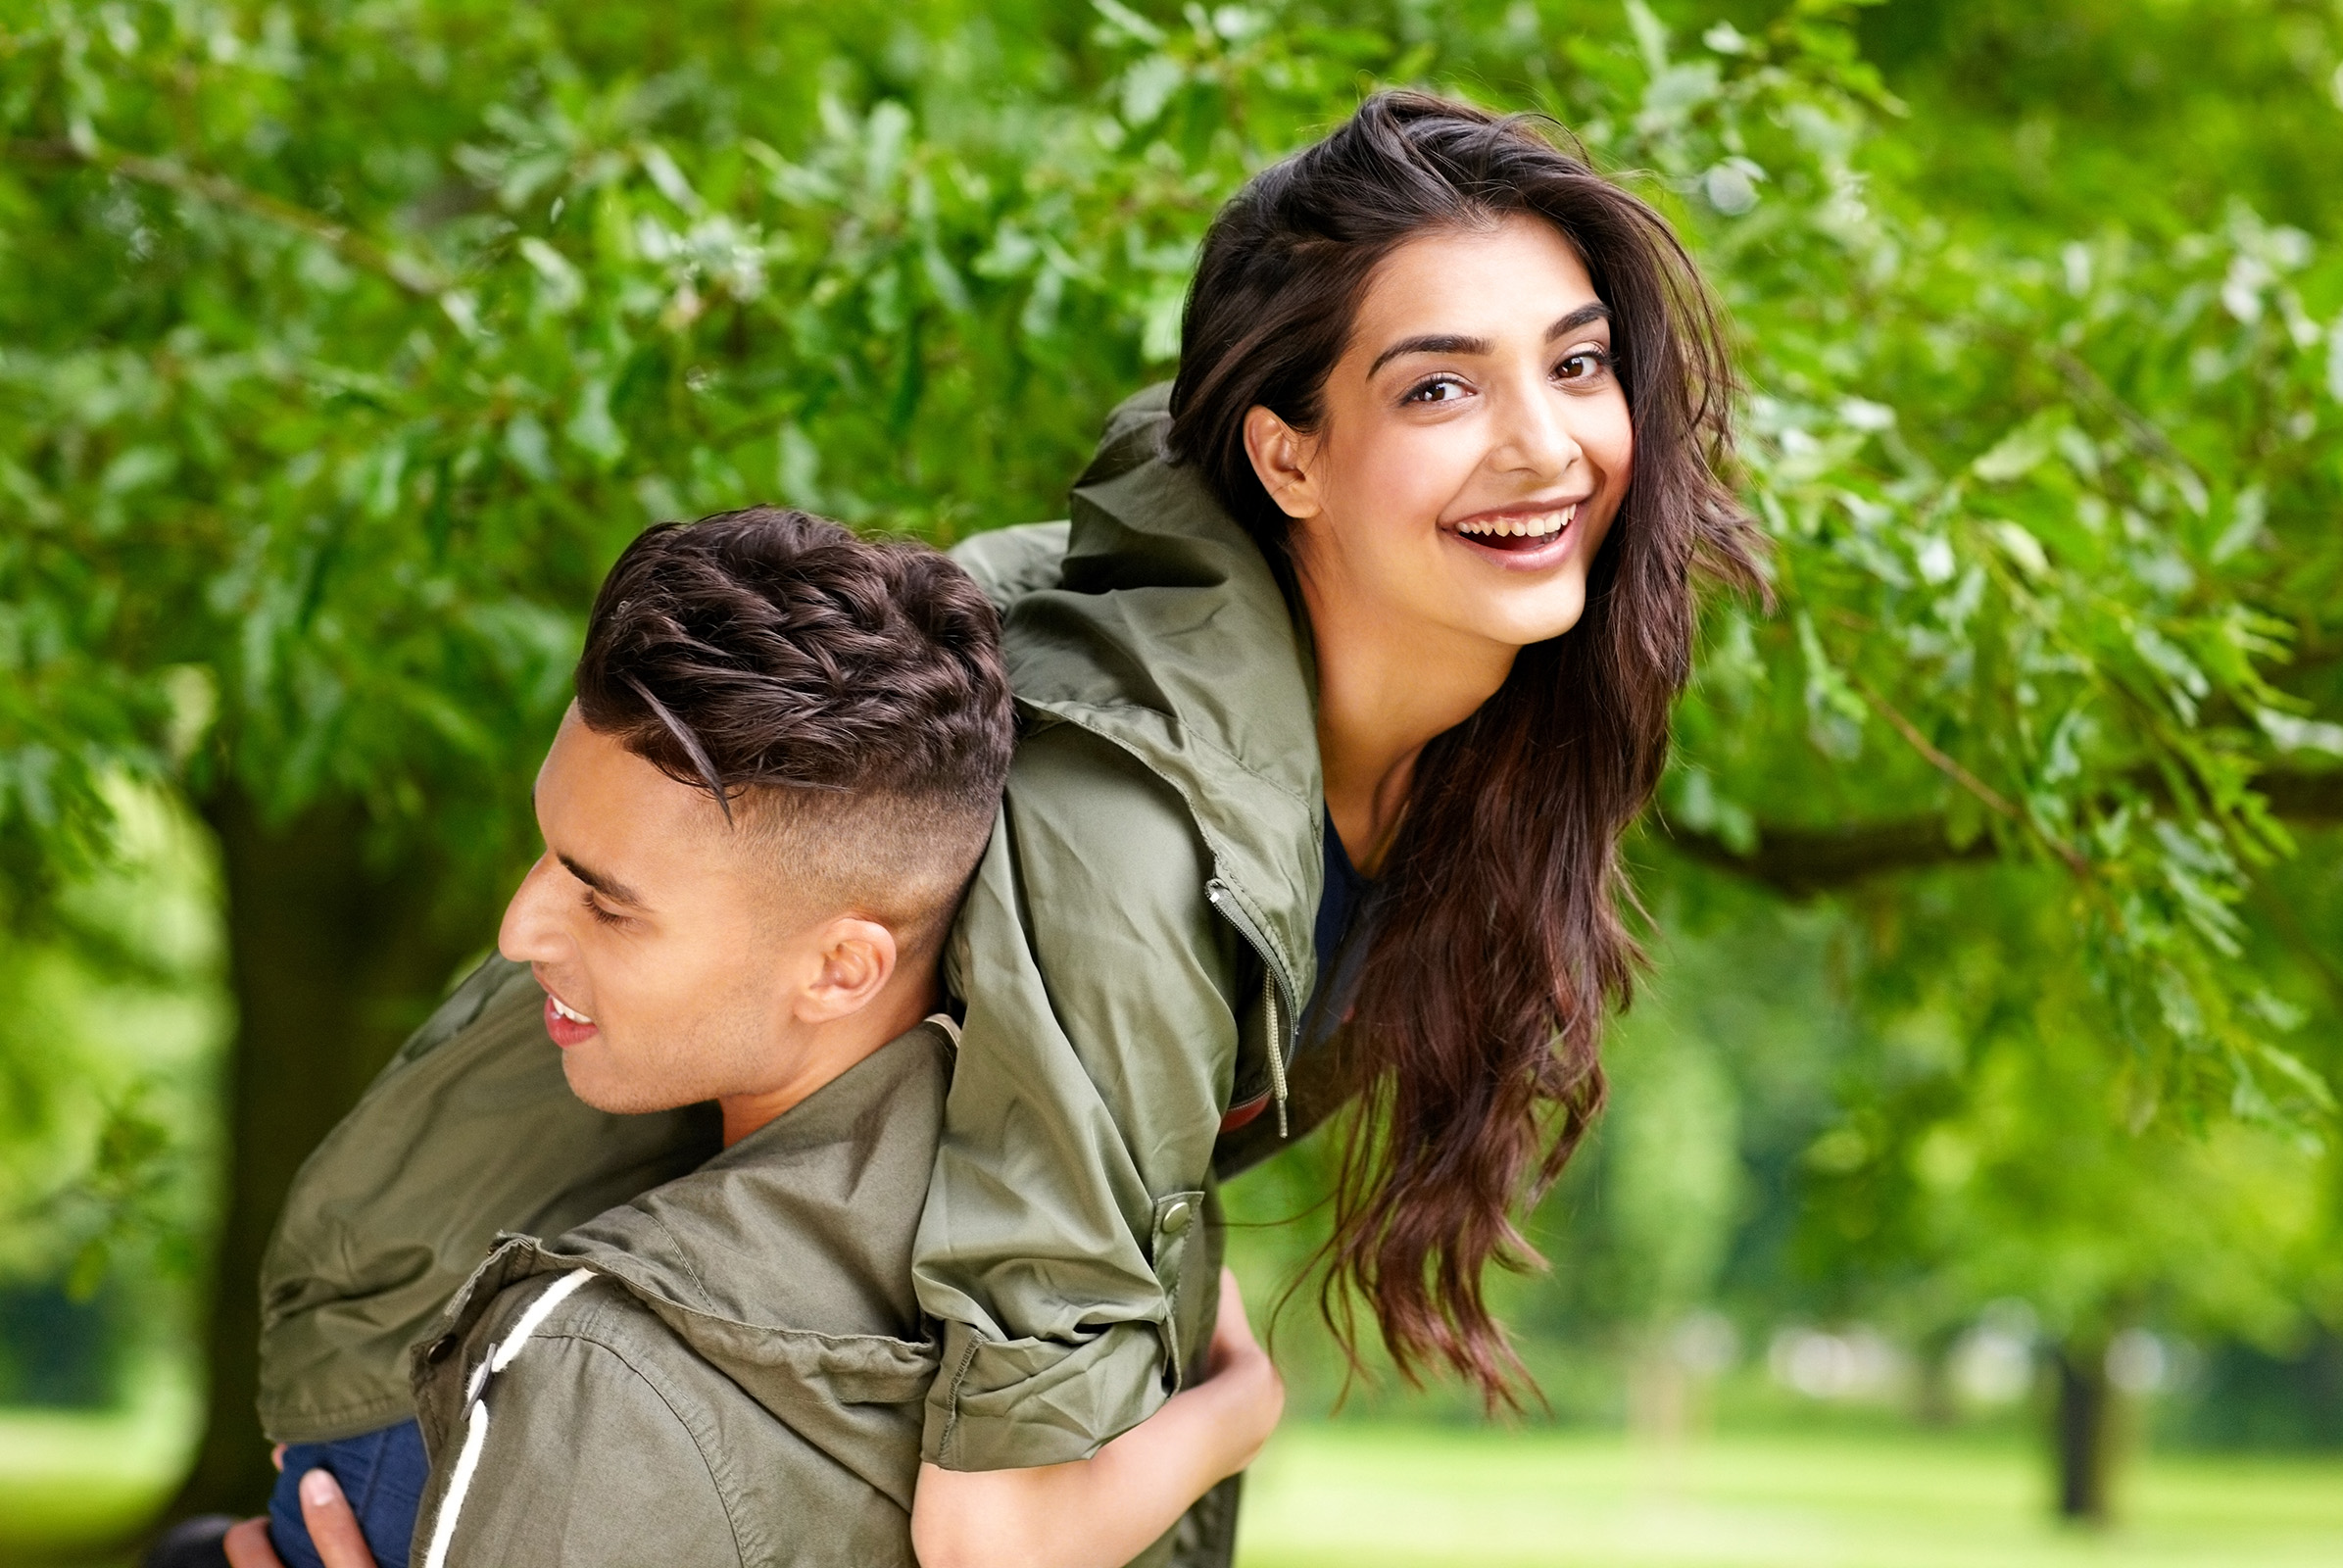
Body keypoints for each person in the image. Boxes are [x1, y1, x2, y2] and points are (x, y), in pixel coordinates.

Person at [227, 90, 1762, 1568]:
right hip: (491, 1373)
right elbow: (1001, 1536)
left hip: (709, 1366)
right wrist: (1240, 1406)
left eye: (1578, 364)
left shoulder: (1429, 746)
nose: (1547, 447)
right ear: (1285, 453)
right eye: (1439, 387)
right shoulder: (1133, 827)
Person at [210, 510, 1283, 1568]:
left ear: (840, 967)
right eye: (549, 852)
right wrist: (1235, 1409)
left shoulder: (603, 1385)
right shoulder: (1103, 1219)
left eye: (607, 902)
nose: (518, 930)